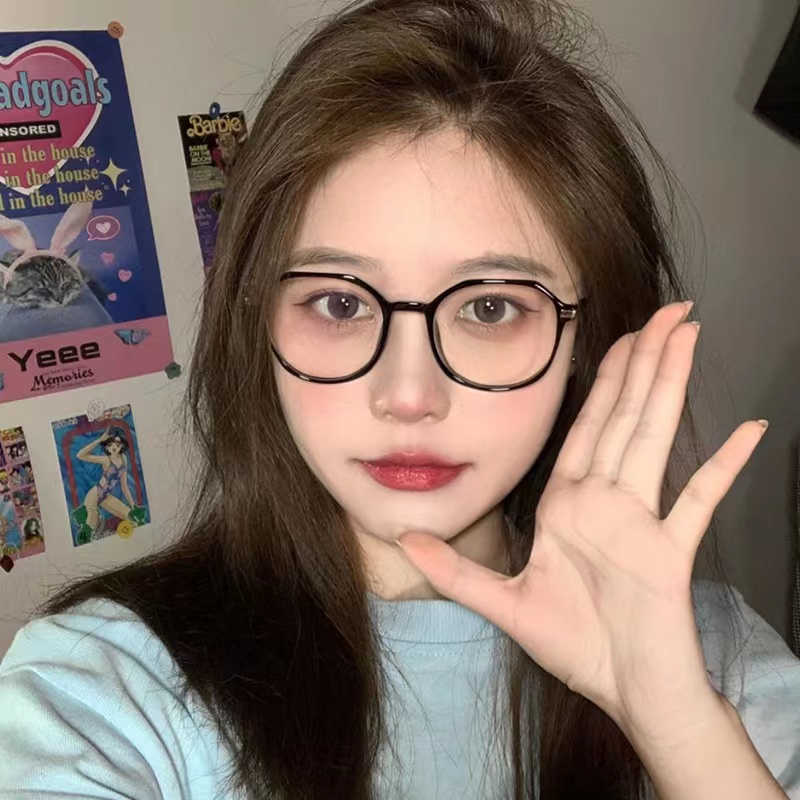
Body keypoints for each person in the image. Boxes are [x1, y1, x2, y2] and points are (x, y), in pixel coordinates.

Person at [1, 0, 798, 798]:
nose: (409, 396)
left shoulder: (714, 661)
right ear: (256, 321)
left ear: (583, 340)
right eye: (340, 303)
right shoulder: (105, 685)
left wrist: (676, 726)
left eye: (491, 307)